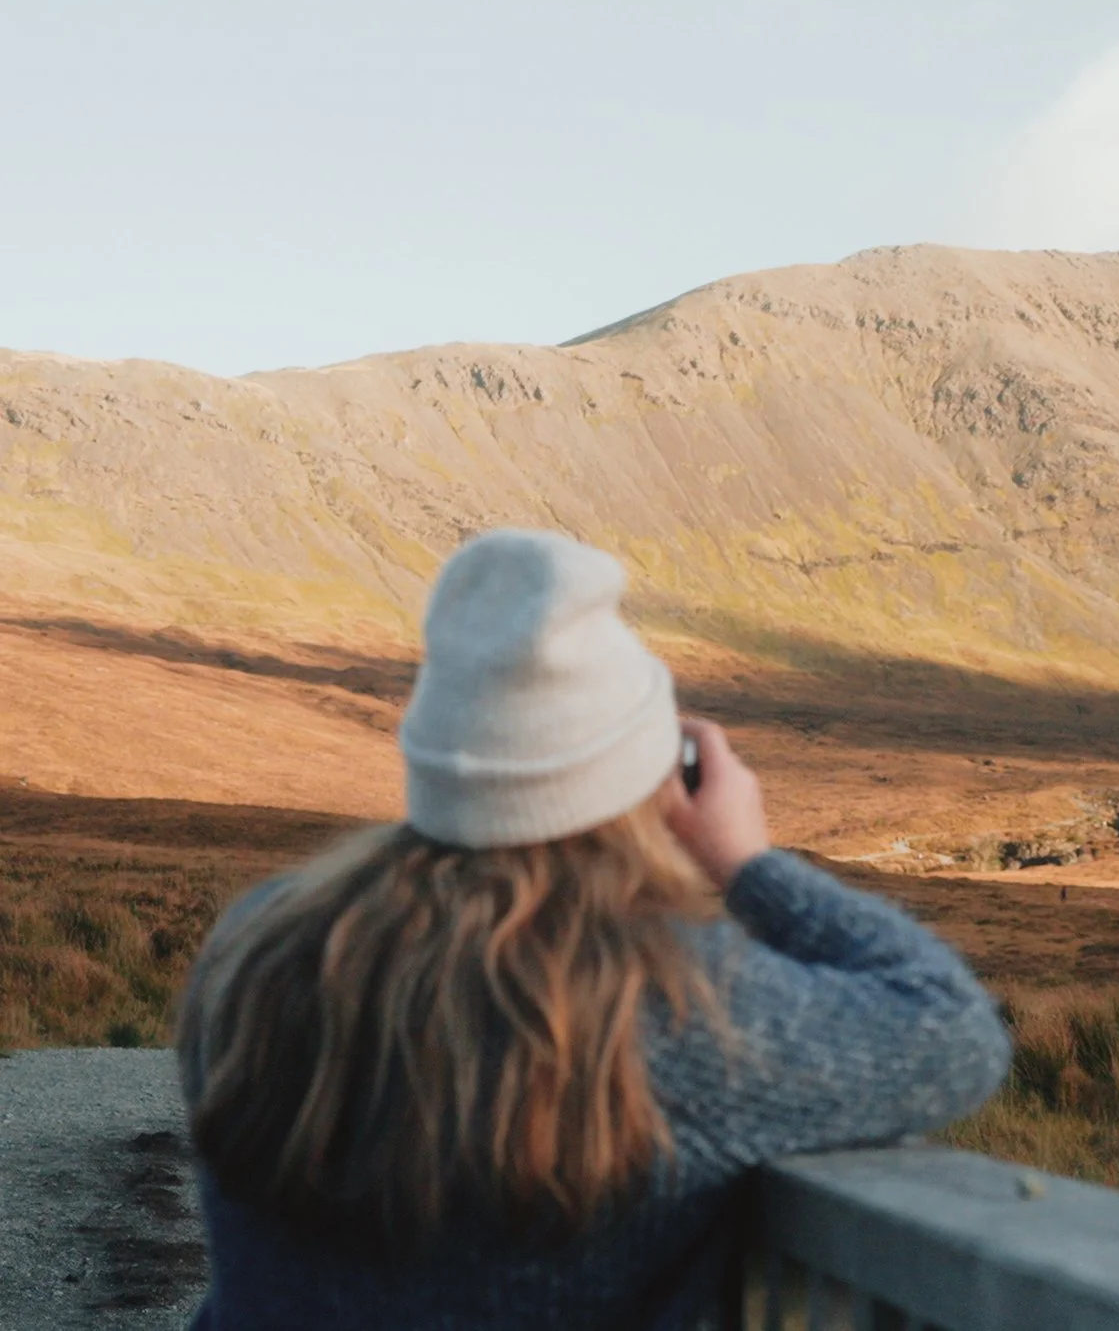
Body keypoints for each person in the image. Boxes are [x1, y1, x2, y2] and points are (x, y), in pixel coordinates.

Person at [175, 530, 1010, 1328]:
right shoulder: (674, 1006)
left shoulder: (264, 941)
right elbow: (953, 1031)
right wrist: (749, 865)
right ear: (657, 783)